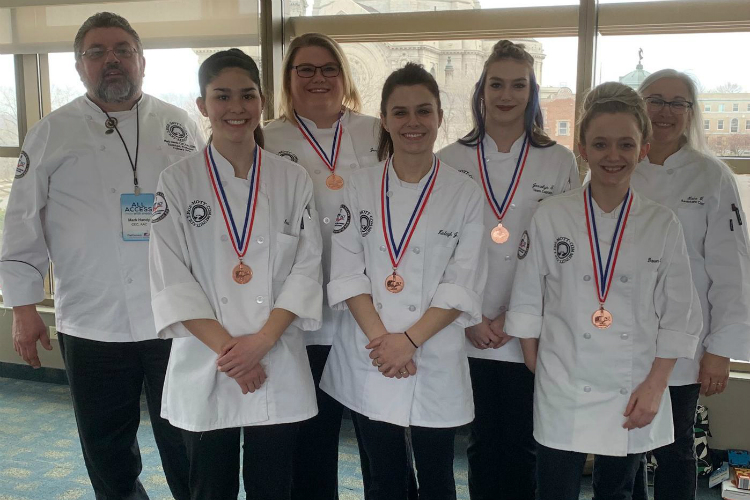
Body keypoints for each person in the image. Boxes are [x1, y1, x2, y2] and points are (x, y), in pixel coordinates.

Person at [0, 12, 202, 500]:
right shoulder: (52, 131)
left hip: (173, 317)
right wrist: (24, 309)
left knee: (189, 437)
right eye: (97, 52)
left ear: (142, 61)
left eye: (122, 50)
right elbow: (22, 226)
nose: (111, 60)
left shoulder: (178, 125)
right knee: (106, 447)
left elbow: (205, 215)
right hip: (91, 320)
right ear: (79, 67)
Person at [505, 81, 702, 500]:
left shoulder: (661, 224)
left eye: (626, 145)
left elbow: (680, 313)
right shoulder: (550, 216)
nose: (613, 156)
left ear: (643, 148)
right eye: (600, 144)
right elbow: (526, 297)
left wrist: (655, 386)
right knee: (553, 490)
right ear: (582, 148)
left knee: (616, 492)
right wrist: (540, 367)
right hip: (563, 383)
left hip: (632, 386)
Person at [148, 48, 323, 500]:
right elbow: (172, 278)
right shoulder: (178, 181)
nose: (236, 108)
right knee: (210, 488)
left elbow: (306, 270)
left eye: (247, 96)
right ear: (202, 105)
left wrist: (260, 345)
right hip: (208, 361)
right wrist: (234, 355)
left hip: (276, 356)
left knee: (273, 486)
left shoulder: (291, 178)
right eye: (222, 97)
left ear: (261, 102)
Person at [320, 62, 487, 500]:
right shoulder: (358, 187)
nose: (413, 122)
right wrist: (386, 344)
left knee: (438, 478)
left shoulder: (464, 192)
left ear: (439, 117)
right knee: (384, 478)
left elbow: (462, 282)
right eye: (401, 112)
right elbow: (347, 272)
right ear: (385, 119)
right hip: (371, 353)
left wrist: (408, 342)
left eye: (423, 111)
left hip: (432, 351)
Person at [436, 39, 579, 500]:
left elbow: (562, 253)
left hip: (527, 332)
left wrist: (514, 321)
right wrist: (473, 318)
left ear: (531, 92)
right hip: (466, 326)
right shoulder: (449, 160)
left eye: (519, 85)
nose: (506, 94)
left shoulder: (558, 161)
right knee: (478, 442)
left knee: (524, 443)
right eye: (496, 84)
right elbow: (439, 251)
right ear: (481, 91)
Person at [263, 33, 380, 500]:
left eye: (328, 68)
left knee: (380, 438)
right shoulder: (266, 137)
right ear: (288, 79)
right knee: (312, 440)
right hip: (303, 315)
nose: (318, 78)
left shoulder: (376, 131)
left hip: (370, 313)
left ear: (344, 75)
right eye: (305, 69)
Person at [626, 69, 750, 500]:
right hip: (619, 333)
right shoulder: (618, 166)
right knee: (622, 445)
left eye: (678, 103)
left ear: (690, 113)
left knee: (675, 447)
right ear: (638, 105)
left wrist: (720, 349)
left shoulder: (712, 176)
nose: (665, 111)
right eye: (655, 99)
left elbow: (732, 271)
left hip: (684, 342)